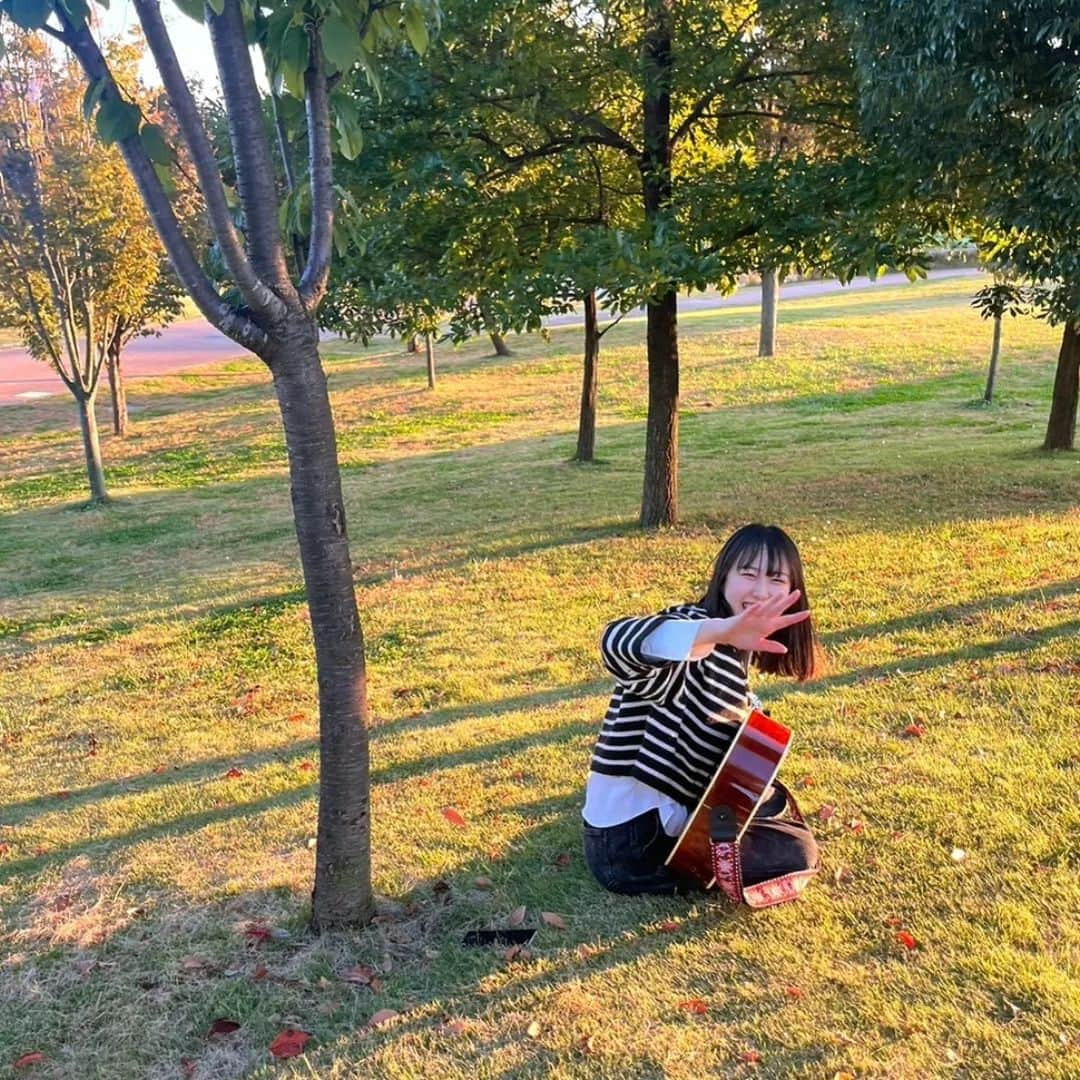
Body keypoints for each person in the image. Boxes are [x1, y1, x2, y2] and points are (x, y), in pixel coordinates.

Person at [582, 523, 821, 897]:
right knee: (798, 849)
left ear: (793, 592)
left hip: (640, 830)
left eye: (775, 578)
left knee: (770, 804)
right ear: (723, 576)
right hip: (632, 846)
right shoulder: (694, 633)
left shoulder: (731, 658)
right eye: (748, 573)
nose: (760, 591)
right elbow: (615, 643)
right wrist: (720, 630)